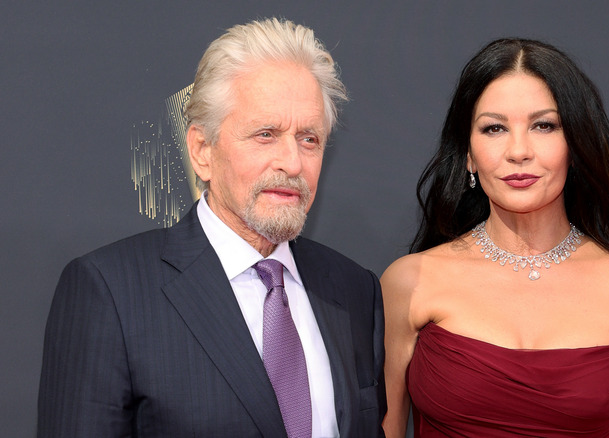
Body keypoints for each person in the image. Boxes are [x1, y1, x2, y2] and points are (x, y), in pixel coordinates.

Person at [38, 18, 385, 438]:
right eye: (265, 134)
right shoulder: (110, 291)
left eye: (309, 138)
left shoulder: (353, 290)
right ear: (202, 150)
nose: (293, 163)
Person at [381, 38, 609, 437]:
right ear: (469, 154)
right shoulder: (410, 282)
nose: (519, 150)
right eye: (494, 128)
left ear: (574, 145)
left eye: (544, 126)